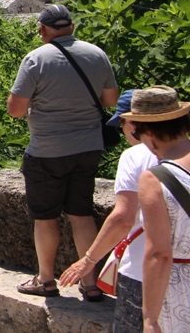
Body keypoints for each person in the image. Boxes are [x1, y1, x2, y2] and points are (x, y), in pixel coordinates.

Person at [7, 4, 118, 298]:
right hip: (88, 148)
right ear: (71, 26)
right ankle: (90, 282)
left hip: (47, 150)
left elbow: (16, 110)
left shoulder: (36, 59)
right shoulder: (97, 54)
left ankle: (45, 280)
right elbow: (110, 101)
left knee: (45, 217)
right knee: (81, 214)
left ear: (42, 30)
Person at [59, 90, 156, 331]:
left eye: (121, 124)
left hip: (143, 270)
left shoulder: (134, 157)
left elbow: (124, 218)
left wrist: (88, 261)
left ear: (132, 123)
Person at [127, 86, 190, 333]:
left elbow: (159, 254)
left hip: (180, 290)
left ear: (149, 132)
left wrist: (150, 319)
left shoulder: (156, 179)